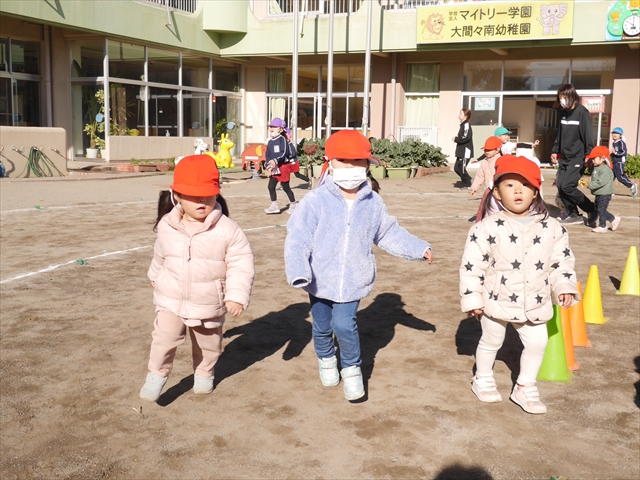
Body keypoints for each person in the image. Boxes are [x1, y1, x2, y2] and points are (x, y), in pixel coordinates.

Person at [284, 130, 433, 401]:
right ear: (329, 163)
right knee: (321, 325)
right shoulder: (315, 201)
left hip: (354, 279)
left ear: (367, 165)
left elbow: (388, 233)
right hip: (319, 279)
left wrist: (418, 248)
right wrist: (299, 271)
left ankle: (352, 369)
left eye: (358, 161)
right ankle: (326, 359)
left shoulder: (373, 203)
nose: (351, 168)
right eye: (344, 161)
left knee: (344, 324)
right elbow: (298, 237)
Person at [460, 155, 579, 414]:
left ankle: (525, 386)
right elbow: (472, 266)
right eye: (510, 185)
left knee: (538, 343)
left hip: (535, 300)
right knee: (491, 340)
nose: (517, 190)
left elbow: (561, 262)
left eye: (525, 185)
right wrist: (472, 298)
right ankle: (483, 378)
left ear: (536, 191)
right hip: (495, 300)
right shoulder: (485, 228)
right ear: (497, 193)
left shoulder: (552, 228)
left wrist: (564, 286)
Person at [139, 155, 255, 402]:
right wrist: (155, 274)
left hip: (209, 301)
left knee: (208, 345)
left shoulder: (228, 230)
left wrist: (236, 295)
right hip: (171, 298)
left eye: (208, 194)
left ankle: (204, 373)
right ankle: (156, 375)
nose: (202, 200)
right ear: (177, 196)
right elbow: (161, 254)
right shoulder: (167, 225)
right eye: (193, 194)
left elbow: (241, 264)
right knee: (164, 339)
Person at [550, 84, 596, 226]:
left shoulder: (582, 112)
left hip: (577, 157)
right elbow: (560, 134)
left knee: (567, 186)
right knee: (560, 186)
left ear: (571, 96)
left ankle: (591, 209)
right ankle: (573, 214)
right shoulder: (564, 113)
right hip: (564, 157)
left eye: (563, 97)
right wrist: (555, 150)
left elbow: (588, 135)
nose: (561, 100)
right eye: (560, 97)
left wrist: (589, 155)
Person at [264, 117, 297, 215]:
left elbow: (284, 153)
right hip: (274, 168)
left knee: (285, 187)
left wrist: (275, 160)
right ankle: (274, 206)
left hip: (283, 167)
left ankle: (293, 204)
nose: (272, 129)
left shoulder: (282, 139)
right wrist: (269, 166)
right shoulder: (270, 142)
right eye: (271, 127)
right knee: (271, 187)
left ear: (281, 129)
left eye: (274, 127)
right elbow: (268, 155)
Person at [586, 146, 620, 233]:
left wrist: (591, 185)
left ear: (603, 158)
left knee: (601, 210)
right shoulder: (597, 167)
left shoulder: (605, 169)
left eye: (594, 158)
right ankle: (613, 219)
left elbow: (601, 181)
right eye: (592, 158)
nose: (592, 160)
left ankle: (602, 226)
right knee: (599, 209)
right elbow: (594, 175)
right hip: (599, 193)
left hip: (605, 194)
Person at [469, 136, 502, 222]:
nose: (486, 152)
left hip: (499, 192)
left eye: (489, 150)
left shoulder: (501, 160)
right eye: (485, 150)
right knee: (487, 209)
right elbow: (480, 176)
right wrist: (474, 188)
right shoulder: (484, 162)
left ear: (497, 150)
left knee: (499, 210)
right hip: (487, 191)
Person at [610, 127, 637, 198]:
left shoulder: (621, 143)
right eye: (613, 133)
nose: (614, 134)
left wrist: (615, 153)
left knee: (620, 177)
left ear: (621, 135)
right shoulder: (614, 143)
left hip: (620, 162)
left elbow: (623, 152)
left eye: (617, 133)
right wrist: (612, 155)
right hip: (615, 162)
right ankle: (609, 191)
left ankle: (632, 186)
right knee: (610, 177)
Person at [453, 108, 474, 188]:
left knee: (462, 168)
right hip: (461, 151)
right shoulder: (462, 125)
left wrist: (456, 139)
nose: (459, 115)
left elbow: (466, 137)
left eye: (461, 114)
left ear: (466, 116)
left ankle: (468, 184)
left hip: (466, 152)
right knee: (456, 168)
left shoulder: (466, 125)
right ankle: (468, 179)